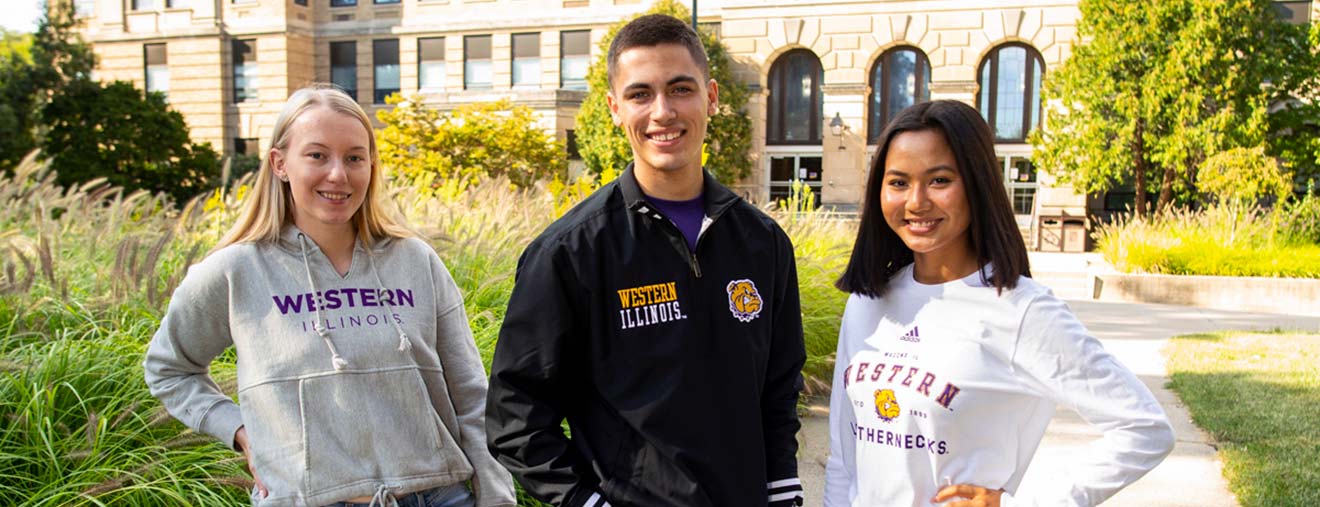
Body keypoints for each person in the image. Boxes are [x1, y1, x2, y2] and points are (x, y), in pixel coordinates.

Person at [485, 14, 806, 507]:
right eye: (640, 94)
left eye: (680, 89)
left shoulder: (762, 243)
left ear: (712, 96)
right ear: (615, 108)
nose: (662, 112)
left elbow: (779, 392)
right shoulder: (570, 253)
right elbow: (515, 418)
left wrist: (783, 494)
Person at [143, 86, 516, 507]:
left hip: (436, 496)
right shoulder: (234, 272)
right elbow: (169, 370)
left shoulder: (416, 261)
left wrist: (497, 498)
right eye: (317, 155)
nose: (338, 174)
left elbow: (470, 394)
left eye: (355, 157)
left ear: (371, 167)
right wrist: (241, 430)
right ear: (280, 163)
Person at [823, 100, 1174, 507]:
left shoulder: (1022, 310)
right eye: (898, 182)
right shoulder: (868, 301)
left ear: (977, 184)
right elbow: (843, 455)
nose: (916, 201)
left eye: (939, 180)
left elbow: (1145, 429)